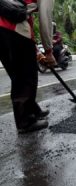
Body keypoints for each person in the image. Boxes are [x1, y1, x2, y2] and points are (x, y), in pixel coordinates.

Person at [0, 0, 56, 133]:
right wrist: (48, 51)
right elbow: (45, 18)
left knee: (17, 74)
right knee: (25, 77)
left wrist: (35, 48)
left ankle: (32, 109)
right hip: (13, 27)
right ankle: (25, 121)